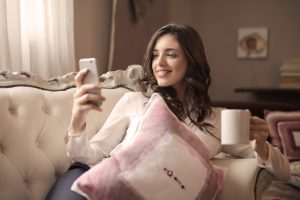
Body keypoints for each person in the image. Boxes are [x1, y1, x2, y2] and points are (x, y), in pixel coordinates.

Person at [46, 24, 290, 200]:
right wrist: (78, 119)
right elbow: (89, 156)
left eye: (170, 54)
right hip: (102, 180)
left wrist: (261, 145)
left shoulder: (218, 119)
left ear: (192, 61)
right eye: (155, 55)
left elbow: (283, 172)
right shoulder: (136, 101)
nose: (159, 63)